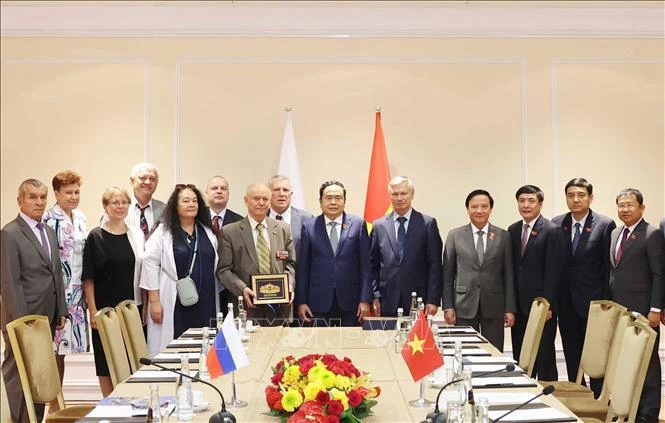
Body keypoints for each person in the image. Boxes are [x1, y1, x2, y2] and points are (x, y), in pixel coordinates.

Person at [1, 179, 67, 422]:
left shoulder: (47, 230)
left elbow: (56, 272)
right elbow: (10, 281)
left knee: (38, 375)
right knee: (19, 373)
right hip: (22, 318)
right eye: (33, 197)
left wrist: (61, 308)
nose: (39, 202)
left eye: (42, 197)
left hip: (46, 317)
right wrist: (22, 321)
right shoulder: (10, 233)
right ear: (20, 200)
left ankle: (35, 420)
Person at [551, 178, 615, 396]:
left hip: (595, 304)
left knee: (596, 356)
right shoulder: (557, 223)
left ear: (590, 197)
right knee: (571, 353)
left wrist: (607, 303)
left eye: (581, 195)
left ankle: (598, 400)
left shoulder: (605, 224)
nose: (576, 199)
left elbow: (608, 268)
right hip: (566, 302)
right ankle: (577, 394)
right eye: (571, 195)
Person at [141, 184, 219, 356]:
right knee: (175, 347)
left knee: (204, 347)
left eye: (194, 201)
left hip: (205, 300)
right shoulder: (164, 231)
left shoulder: (206, 231)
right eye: (185, 201)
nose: (191, 204)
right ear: (175, 206)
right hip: (174, 299)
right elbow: (149, 262)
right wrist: (154, 301)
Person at [82, 187, 144, 397]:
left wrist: (142, 304)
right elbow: (88, 278)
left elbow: (142, 272)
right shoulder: (95, 236)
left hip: (131, 308)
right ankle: (108, 405)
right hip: (105, 310)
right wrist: (92, 309)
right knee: (105, 359)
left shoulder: (136, 234)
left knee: (131, 356)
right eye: (114, 203)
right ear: (106, 207)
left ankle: (131, 401)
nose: (120, 206)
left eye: (124, 202)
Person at [609, 189, 664, 423]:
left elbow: (659, 274)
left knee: (648, 362)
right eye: (621, 205)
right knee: (626, 360)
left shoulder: (652, 234)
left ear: (642, 207)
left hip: (644, 310)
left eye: (630, 205)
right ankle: (630, 406)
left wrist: (655, 308)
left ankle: (649, 412)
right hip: (621, 311)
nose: (625, 209)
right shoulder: (615, 233)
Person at [442, 189, 515, 351]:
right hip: (463, 306)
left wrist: (510, 308)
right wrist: (448, 306)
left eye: (484, 206)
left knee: (494, 353)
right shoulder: (455, 235)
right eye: (474, 206)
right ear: (467, 209)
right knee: (465, 353)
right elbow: (447, 275)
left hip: (494, 306)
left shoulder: (503, 236)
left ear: (491, 209)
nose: (479, 211)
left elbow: (508, 275)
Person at [42, 171, 89, 413]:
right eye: (68, 192)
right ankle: (53, 405)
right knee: (55, 352)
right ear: (57, 193)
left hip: (78, 295)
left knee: (65, 351)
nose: (73, 196)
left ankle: (58, 402)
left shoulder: (81, 217)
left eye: (76, 192)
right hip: (59, 293)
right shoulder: (49, 219)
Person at [217, 183, 295, 326]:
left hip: (279, 309)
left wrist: (288, 285)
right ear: (246, 200)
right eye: (256, 198)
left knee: (279, 347)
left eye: (265, 199)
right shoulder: (229, 232)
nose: (261, 203)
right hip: (246, 309)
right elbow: (224, 270)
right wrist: (243, 289)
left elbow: (290, 263)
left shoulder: (284, 229)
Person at [507, 184, 563, 381]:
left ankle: (549, 399)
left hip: (541, 306)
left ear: (540, 204)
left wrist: (547, 304)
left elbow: (553, 271)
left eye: (531, 201)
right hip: (519, 306)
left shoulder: (552, 230)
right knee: (521, 355)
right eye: (522, 201)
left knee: (544, 355)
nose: (526, 205)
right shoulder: (513, 230)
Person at [297, 181, 371, 327]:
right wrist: (301, 301)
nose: (333, 202)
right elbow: (303, 269)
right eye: (328, 197)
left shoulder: (358, 224)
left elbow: (366, 267)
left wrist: (364, 300)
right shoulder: (309, 226)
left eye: (338, 198)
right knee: (320, 347)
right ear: (320, 201)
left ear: (344, 201)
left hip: (351, 303)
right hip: (317, 303)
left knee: (349, 346)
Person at [369, 176, 443, 317]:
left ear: (412, 194)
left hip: (418, 300)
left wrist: (433, 299)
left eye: (403, 193)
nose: (399, 198)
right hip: (387, 299)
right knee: (388, 338)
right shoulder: (379, 226)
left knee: (417, 339)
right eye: (395, 194)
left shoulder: (427, 224)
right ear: (390, 196)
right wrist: (374, 295)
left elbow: (435, 265)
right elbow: (373, 265)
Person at [204, 175, 243, 315]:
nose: (219, 191)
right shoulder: (196, 219)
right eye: (214, 188)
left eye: (223, 188)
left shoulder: (240, 222)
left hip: (230, 289)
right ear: (206, 192)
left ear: (228, 194)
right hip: (204, 284)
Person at [267, 174, 312, 253]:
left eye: (285, 190)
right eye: (277, 190)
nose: (281, 194)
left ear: (291, 194)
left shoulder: (307, 219)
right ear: (268, 194)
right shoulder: (260, 218)